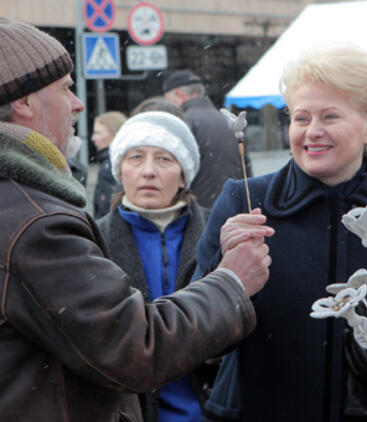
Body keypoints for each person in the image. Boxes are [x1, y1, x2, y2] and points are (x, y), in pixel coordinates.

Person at [0, 17, 272, 421]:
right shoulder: (34, 222)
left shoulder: (23, 206)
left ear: (185, 172)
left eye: (164, 159)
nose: (78, 104)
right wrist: (231, 281)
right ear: (23, 102)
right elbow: (135, 345)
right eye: (67, 89)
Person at [195, 43, 367, 422]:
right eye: (301, 117)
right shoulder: (244, 201)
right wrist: (223, 272)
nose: (312, 132)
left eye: (330, 116)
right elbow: (195, 339)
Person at [97, 111, 214, 422]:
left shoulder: (218, 234)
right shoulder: (93, 240)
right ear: (120, 171)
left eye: (164, 159)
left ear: (184, 175)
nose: (148, 172)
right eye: (135, 157)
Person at [162, 70, 252, 208]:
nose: (167, 106)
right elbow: (247, 173)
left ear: (179, 95)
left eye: (168, 99)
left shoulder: (183, 124)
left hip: (200, 216)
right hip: (235, 210)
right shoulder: (229, 122)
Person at [91, 110, 127, 218]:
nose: (93, 138)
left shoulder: (110, 166)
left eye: (98, 133)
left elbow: (105, 208)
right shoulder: (113, 161)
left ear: (114, 133)